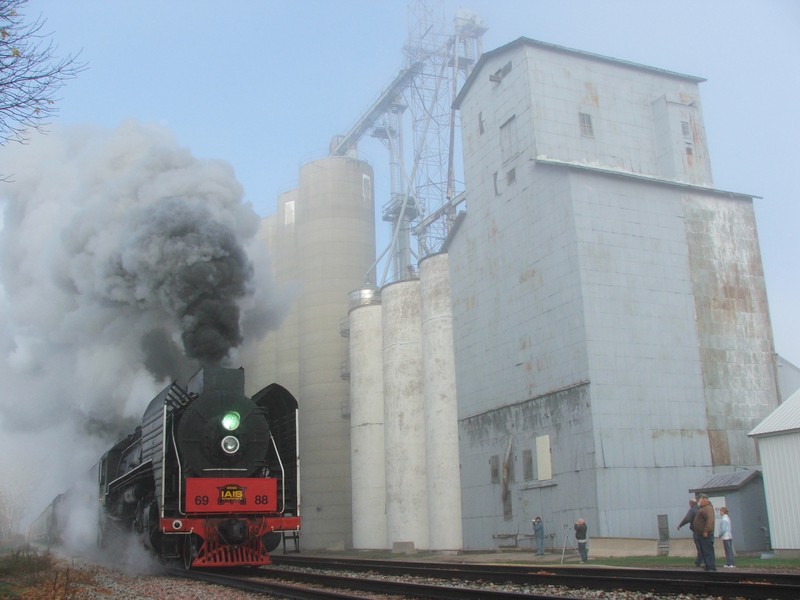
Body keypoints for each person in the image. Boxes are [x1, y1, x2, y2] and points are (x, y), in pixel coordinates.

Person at [692, 494, 716, 571]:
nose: (699, 502)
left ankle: (711, 567)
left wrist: (706, 530)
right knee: (704, 551)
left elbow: (710, 521)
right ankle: (707, 566)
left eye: (700, 500)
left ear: (705, 500)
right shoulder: (703, 508)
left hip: (705, 534)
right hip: (700, 534)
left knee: (707, 551)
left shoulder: (708, 509)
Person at [677, 498, 703, 568]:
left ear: (692, 503)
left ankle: (698, 562)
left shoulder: (692, 510)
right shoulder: (701, 509)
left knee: (699, 547)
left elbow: (687, 519)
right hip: (703, 531)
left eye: (690, 503)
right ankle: (703, 561)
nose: (689, 505)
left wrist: (680, 525)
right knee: (704, 547)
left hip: (696, 531)